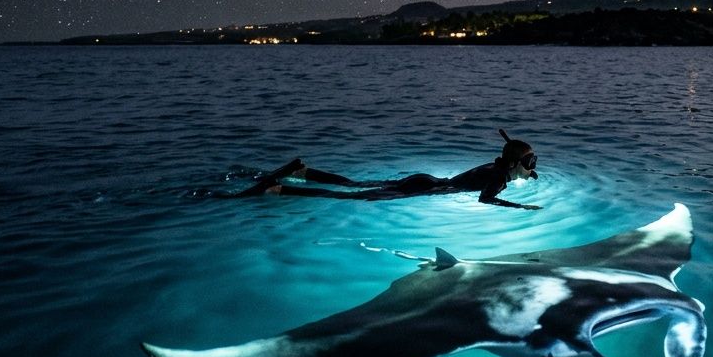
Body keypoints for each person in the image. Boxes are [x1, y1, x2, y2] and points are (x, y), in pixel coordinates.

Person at [228, 129, 542, 209]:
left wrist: (524, 174)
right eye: (530, 163)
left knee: (353, 185)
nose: (532, 168)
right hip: (425, 189)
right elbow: (486, 199)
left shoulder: (494, 166)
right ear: (515, 164)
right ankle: (280, 189)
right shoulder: (500, 178)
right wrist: (521, 207)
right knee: (351, 197)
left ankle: (303, 171)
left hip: (423, 180)